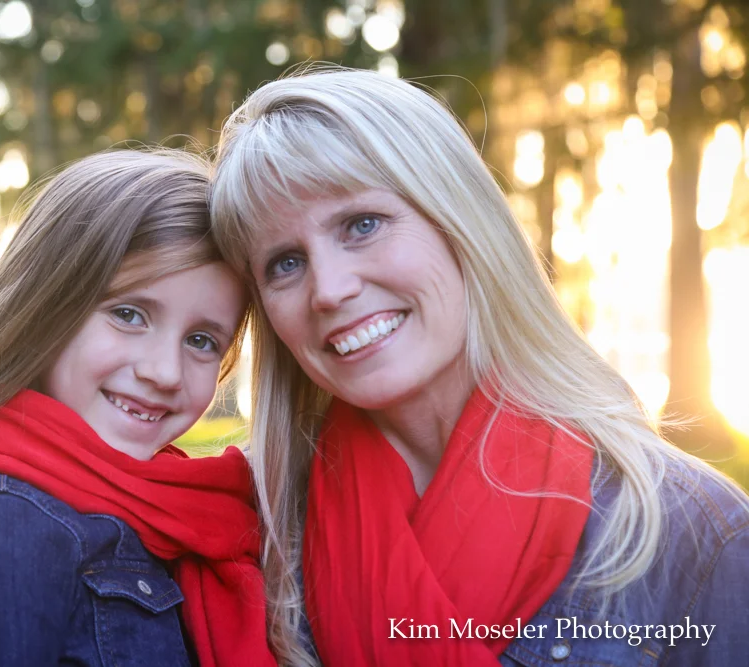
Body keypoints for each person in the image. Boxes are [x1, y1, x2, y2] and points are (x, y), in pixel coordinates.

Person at [208, 68, 749, 667]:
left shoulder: (691, 534)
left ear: (459, 220)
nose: (330, 289)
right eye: (285, 263)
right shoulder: (250, 536)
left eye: (362, 225)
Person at [0, 149, 277, 667]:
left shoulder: (184, 516)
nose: (165, 371)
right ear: (44, 308)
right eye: (129, 314)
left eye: (202, 340)